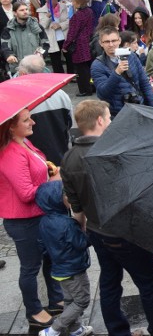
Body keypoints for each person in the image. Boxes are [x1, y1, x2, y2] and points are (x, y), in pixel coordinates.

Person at [0, 108, 64, 331]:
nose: (33, 123)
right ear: (10, 126)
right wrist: (55, 181)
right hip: (23, 220)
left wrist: (49, 170)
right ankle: (34, 311)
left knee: (49, 258)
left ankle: (55, 300)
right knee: (30, 267)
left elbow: (36, 168)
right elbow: (26, 193)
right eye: (26, 120)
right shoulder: (9, 152)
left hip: (38, 215)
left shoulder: (24, 143)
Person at [35, 180, 93, 336]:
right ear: (55, 201)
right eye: (65, 195)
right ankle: (54, 329)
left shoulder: (43, 222)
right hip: (74, 271)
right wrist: (87, 230)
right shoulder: (68, 224)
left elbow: (42, 246)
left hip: (58, 270)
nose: (68, 197)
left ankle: (76, 329)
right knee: (81, 301)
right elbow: (82, 243)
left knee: (69, 301)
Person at [18, 54, 72, 165]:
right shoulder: (61, 94)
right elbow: (69, 123)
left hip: (33, 160)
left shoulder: (19, 99)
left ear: (23, 74)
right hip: (61, 155)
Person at [92, 27, 153, 115]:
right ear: (101, 43)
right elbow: (103, 93)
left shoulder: (131, 56)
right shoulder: (98, 65)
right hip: (117, 113)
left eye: (114, 40)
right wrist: (116, 73)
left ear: (119, 40)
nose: (111, 44)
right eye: (107, 42)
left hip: (139, 107)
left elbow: (144, 83)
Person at [1, 2, 49, 75]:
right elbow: (4, 46)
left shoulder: (37, 26)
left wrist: (40, 53)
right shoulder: (8, 29)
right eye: (22, 10)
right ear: (15, 13)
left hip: (35, 67)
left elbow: (45, 43)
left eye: (26, 9)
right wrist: (9, 55)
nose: (25, 12)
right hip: (17, 68)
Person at [63, 0, 95, 96]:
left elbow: (72, 33)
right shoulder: (89, 11)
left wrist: (65, 45)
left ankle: (85, 89)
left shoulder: (77, 16)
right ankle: (91, 86)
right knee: (88, 67)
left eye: (73, 1)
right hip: (88, 41)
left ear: (78, 2)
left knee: (81, 69)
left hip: (79, 44)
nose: (72, 3)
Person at [37, 0, 70, 74]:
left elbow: (69, 21)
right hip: (52, 38)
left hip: (64, 35)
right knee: (55, 59)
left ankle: (71, 74)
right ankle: (59, 76)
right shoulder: (41, 10)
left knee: (69, 57)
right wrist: (48, 17)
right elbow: (42, 25)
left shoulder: (63, 6)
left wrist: (60, 25)